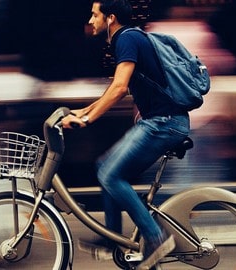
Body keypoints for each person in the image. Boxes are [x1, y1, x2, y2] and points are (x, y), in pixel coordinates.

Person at [61, 1, 190, 269]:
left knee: (110, 174)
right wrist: (83, 110)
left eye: (95, 14)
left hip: (163, 123)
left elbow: (119, 88)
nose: (90, 19)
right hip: (160, 122)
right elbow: (114, 89)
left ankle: (156, 238)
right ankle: (113, 239)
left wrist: (86, 120)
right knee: (103, 166)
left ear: (110, 18)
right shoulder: (127, 39)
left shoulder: (127, 38)